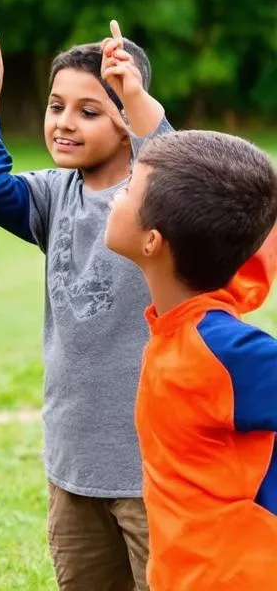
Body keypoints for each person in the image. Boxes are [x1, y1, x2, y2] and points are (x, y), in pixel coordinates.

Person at [0, 22, 167, 591]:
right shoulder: (55, 194)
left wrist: (137, 97)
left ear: (127, 122)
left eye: (90, 111)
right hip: (74, 462)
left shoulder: (157, 194)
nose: (64, 122)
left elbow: (168, 158)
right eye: (56, 106)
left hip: (151, 470)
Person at [104, 129, 277, 591]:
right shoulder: (183, 322)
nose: (116, 195)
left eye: (128, 189)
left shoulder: (221, 351)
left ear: (152, 242)